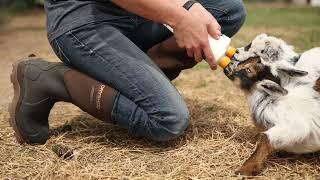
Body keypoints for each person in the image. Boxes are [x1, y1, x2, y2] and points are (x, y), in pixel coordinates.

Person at [9, 0, 246, 144]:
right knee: (168, 120)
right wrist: (181, 17)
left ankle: (132, 74)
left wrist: (188, 6)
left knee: (229, 9)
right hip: (83, 19)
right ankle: (52, 79)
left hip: (136, 13)